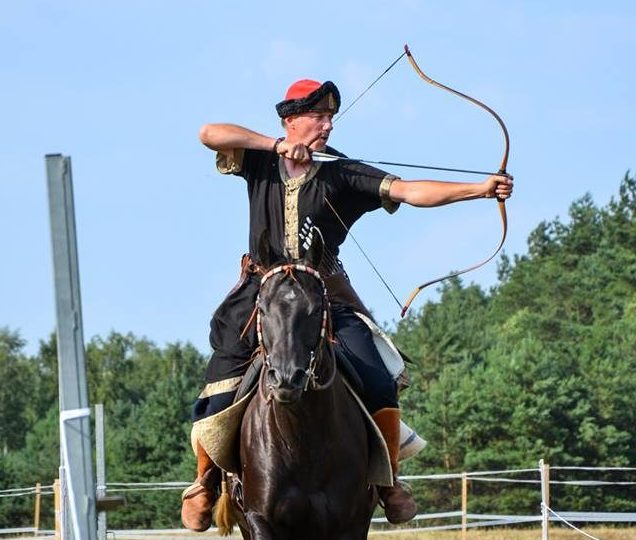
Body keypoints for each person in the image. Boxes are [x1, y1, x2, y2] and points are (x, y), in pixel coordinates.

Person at [181, 79, 513, 532]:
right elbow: (208, 133)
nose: (327, 125)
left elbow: (410, 191)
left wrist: (478, 189)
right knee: (221, 378)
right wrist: (278, 146)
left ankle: (389, 482)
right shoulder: (259, 160)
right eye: (317, 117)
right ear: (290, 120)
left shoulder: (342, 172)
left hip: (325, 296)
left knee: (378, 378)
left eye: (331, 117)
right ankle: (206, 481)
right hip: (263, 293)